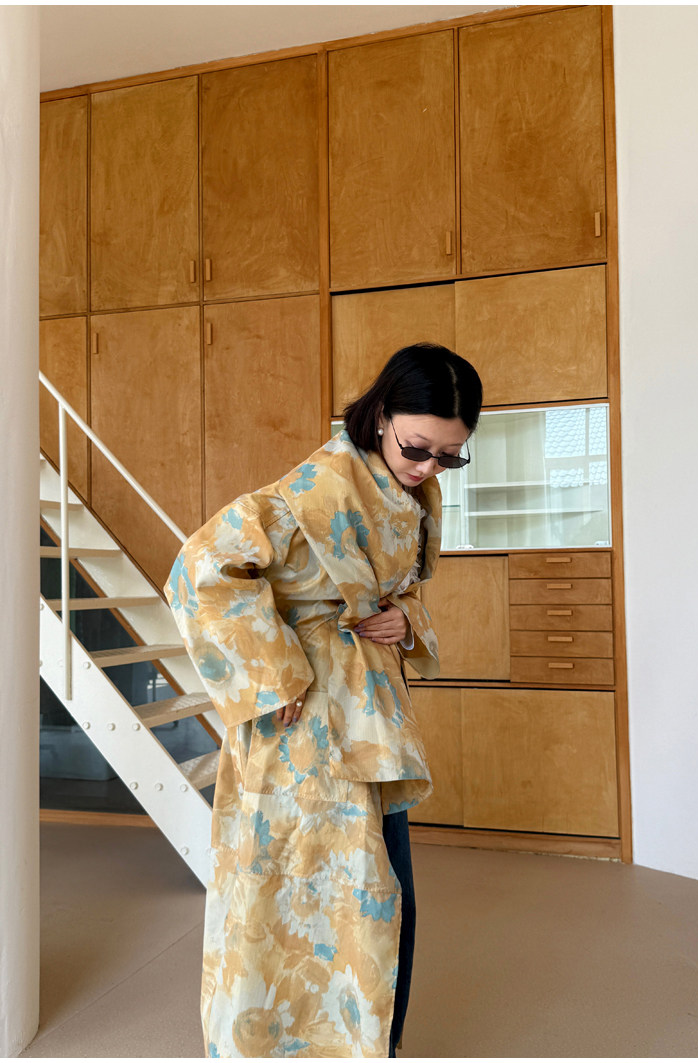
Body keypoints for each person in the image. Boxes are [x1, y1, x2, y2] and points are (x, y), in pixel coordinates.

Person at [165, 342, 483, 1058]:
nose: (428, 467)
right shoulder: (312, 492)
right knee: (297, 893)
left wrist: (406, 620)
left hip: (372, 719)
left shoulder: (410, 496)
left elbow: (402, 591)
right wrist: (272, 674)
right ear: (382, 416)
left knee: (379, 898)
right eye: (418, 447)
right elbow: (199, 569)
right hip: (301, 721)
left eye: (450, 457)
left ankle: (369, 1044)